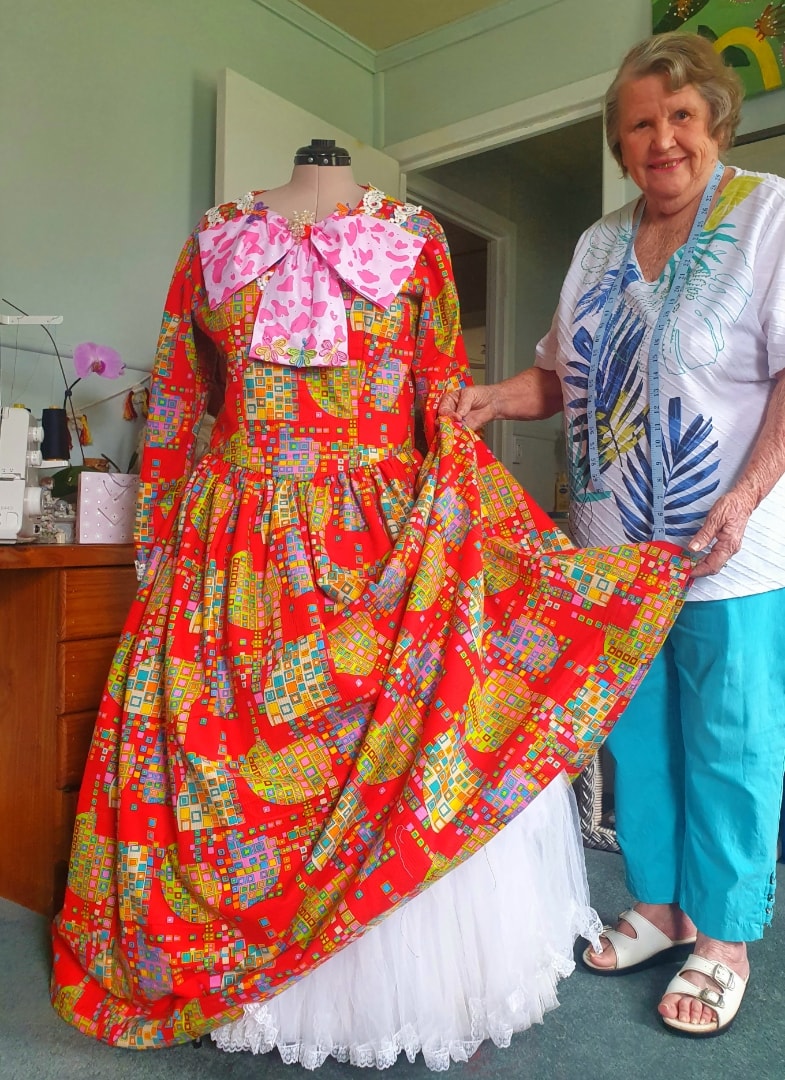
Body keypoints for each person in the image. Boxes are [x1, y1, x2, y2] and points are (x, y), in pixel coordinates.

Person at [50, 141, 690, 1065]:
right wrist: (157, 546)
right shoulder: (215, 240)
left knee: (394, 744)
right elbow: (183, 402)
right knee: (221, 751)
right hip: (234, 545)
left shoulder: (413, 236)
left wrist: (476, 537)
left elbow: (440, 401)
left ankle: (393, 980)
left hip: (381, 535)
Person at [440, 32, 785, 1039]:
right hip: (610, 554)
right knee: (635, 736)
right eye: (639, 123)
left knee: (726, 738)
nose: (661, 138)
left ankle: (724, 937)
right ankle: (663, 906)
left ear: (713, 119)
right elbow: (561, 376)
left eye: (679, 116)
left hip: (727, 544)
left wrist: (744, 496)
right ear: (619, 141)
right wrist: (491, 399)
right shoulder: (595, 245)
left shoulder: (766, 213)